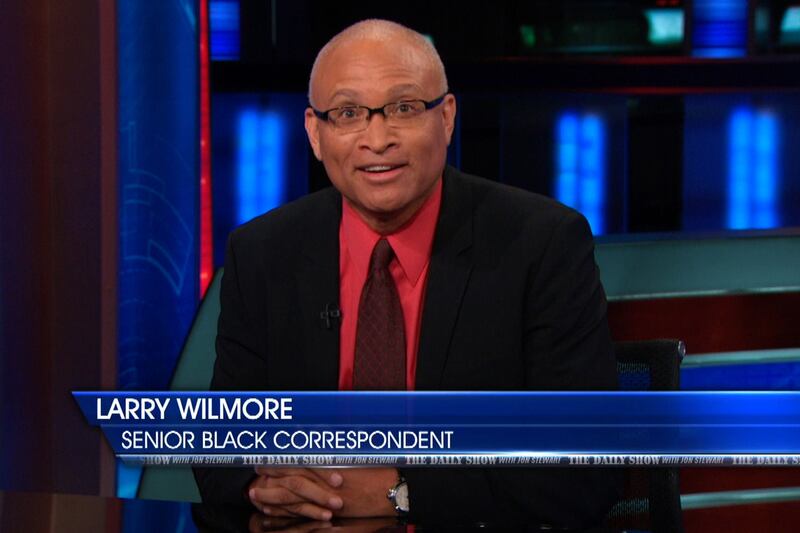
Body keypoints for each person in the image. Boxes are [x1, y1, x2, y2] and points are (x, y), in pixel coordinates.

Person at [195, 19, 620, 528]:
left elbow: (586, 465)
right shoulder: (264, 253)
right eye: (348, 113)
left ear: (447, 117)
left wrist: (398, 491)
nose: (378, 140)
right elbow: (218, 450)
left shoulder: (541, 245)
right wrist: (269, 485)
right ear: (315, 132)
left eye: (403, 108)